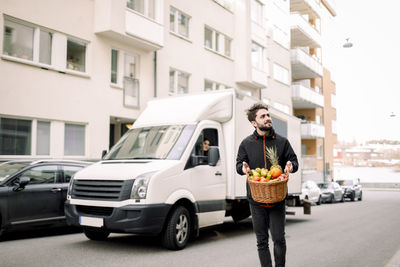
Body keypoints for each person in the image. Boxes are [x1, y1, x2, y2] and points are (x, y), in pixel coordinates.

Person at [236, 103, 299, 267]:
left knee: (278, 239)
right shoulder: (246, 144)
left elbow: (294, 160)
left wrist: (291, 165)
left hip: (277, 199)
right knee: (261, 241)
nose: (268, 118)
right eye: (263, 116)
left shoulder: (282, 142)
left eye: (268, 115)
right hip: (256, 200)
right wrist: (243, 168)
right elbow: (238, 166)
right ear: (254, 123)